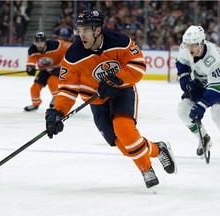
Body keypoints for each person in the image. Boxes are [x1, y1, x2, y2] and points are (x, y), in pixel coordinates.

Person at [44, 10, 177, 189]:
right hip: (95, 100)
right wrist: (57, 112)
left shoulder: (120, 42)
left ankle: (146, 169)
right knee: (123, 146)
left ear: (98, 30)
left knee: (124, 129)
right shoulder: (73, 56)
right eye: (79, 29)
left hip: (121, 91)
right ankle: (158, 149)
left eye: (86, 30)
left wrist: (116, 79)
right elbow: (68, 89)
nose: (81, 34)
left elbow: (138, 65)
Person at [176, 25, 220, 159]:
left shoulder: (214, 58)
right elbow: (181, 62)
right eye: (187, 44)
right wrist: (184, 77)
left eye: (194, 45)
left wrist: (201, 105)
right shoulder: (185, 48)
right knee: (183, 110)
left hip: (217, 88)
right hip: (200, 85)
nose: (190, 48)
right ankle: (204, 138)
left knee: (217, 113)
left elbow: (215, 89)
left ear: (201, 43)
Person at [24, 32, 72, 111]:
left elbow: (71, 46)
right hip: (45, 69)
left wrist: (65, 61)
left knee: (52, 81)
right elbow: (31, 60)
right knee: (35, 87)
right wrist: (30, 68)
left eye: (41, 42)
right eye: (37, 42)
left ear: (45, 42)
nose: (39, 45)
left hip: (58, 66)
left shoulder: (55, 45)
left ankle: (56, 99)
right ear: (34, 42)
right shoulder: (32, 49)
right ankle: (35, 104)